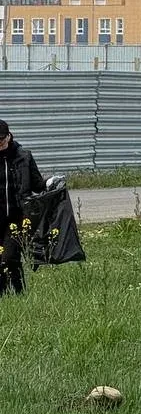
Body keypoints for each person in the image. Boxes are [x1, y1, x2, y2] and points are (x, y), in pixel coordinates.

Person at [0, 120, 49, 295]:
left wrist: (50, 183)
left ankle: (18, 293)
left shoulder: (23, 157)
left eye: (1, 139)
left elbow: (37, 185)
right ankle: (7, 294)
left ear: (9, 136)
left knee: (9, 257)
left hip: (17, 217)